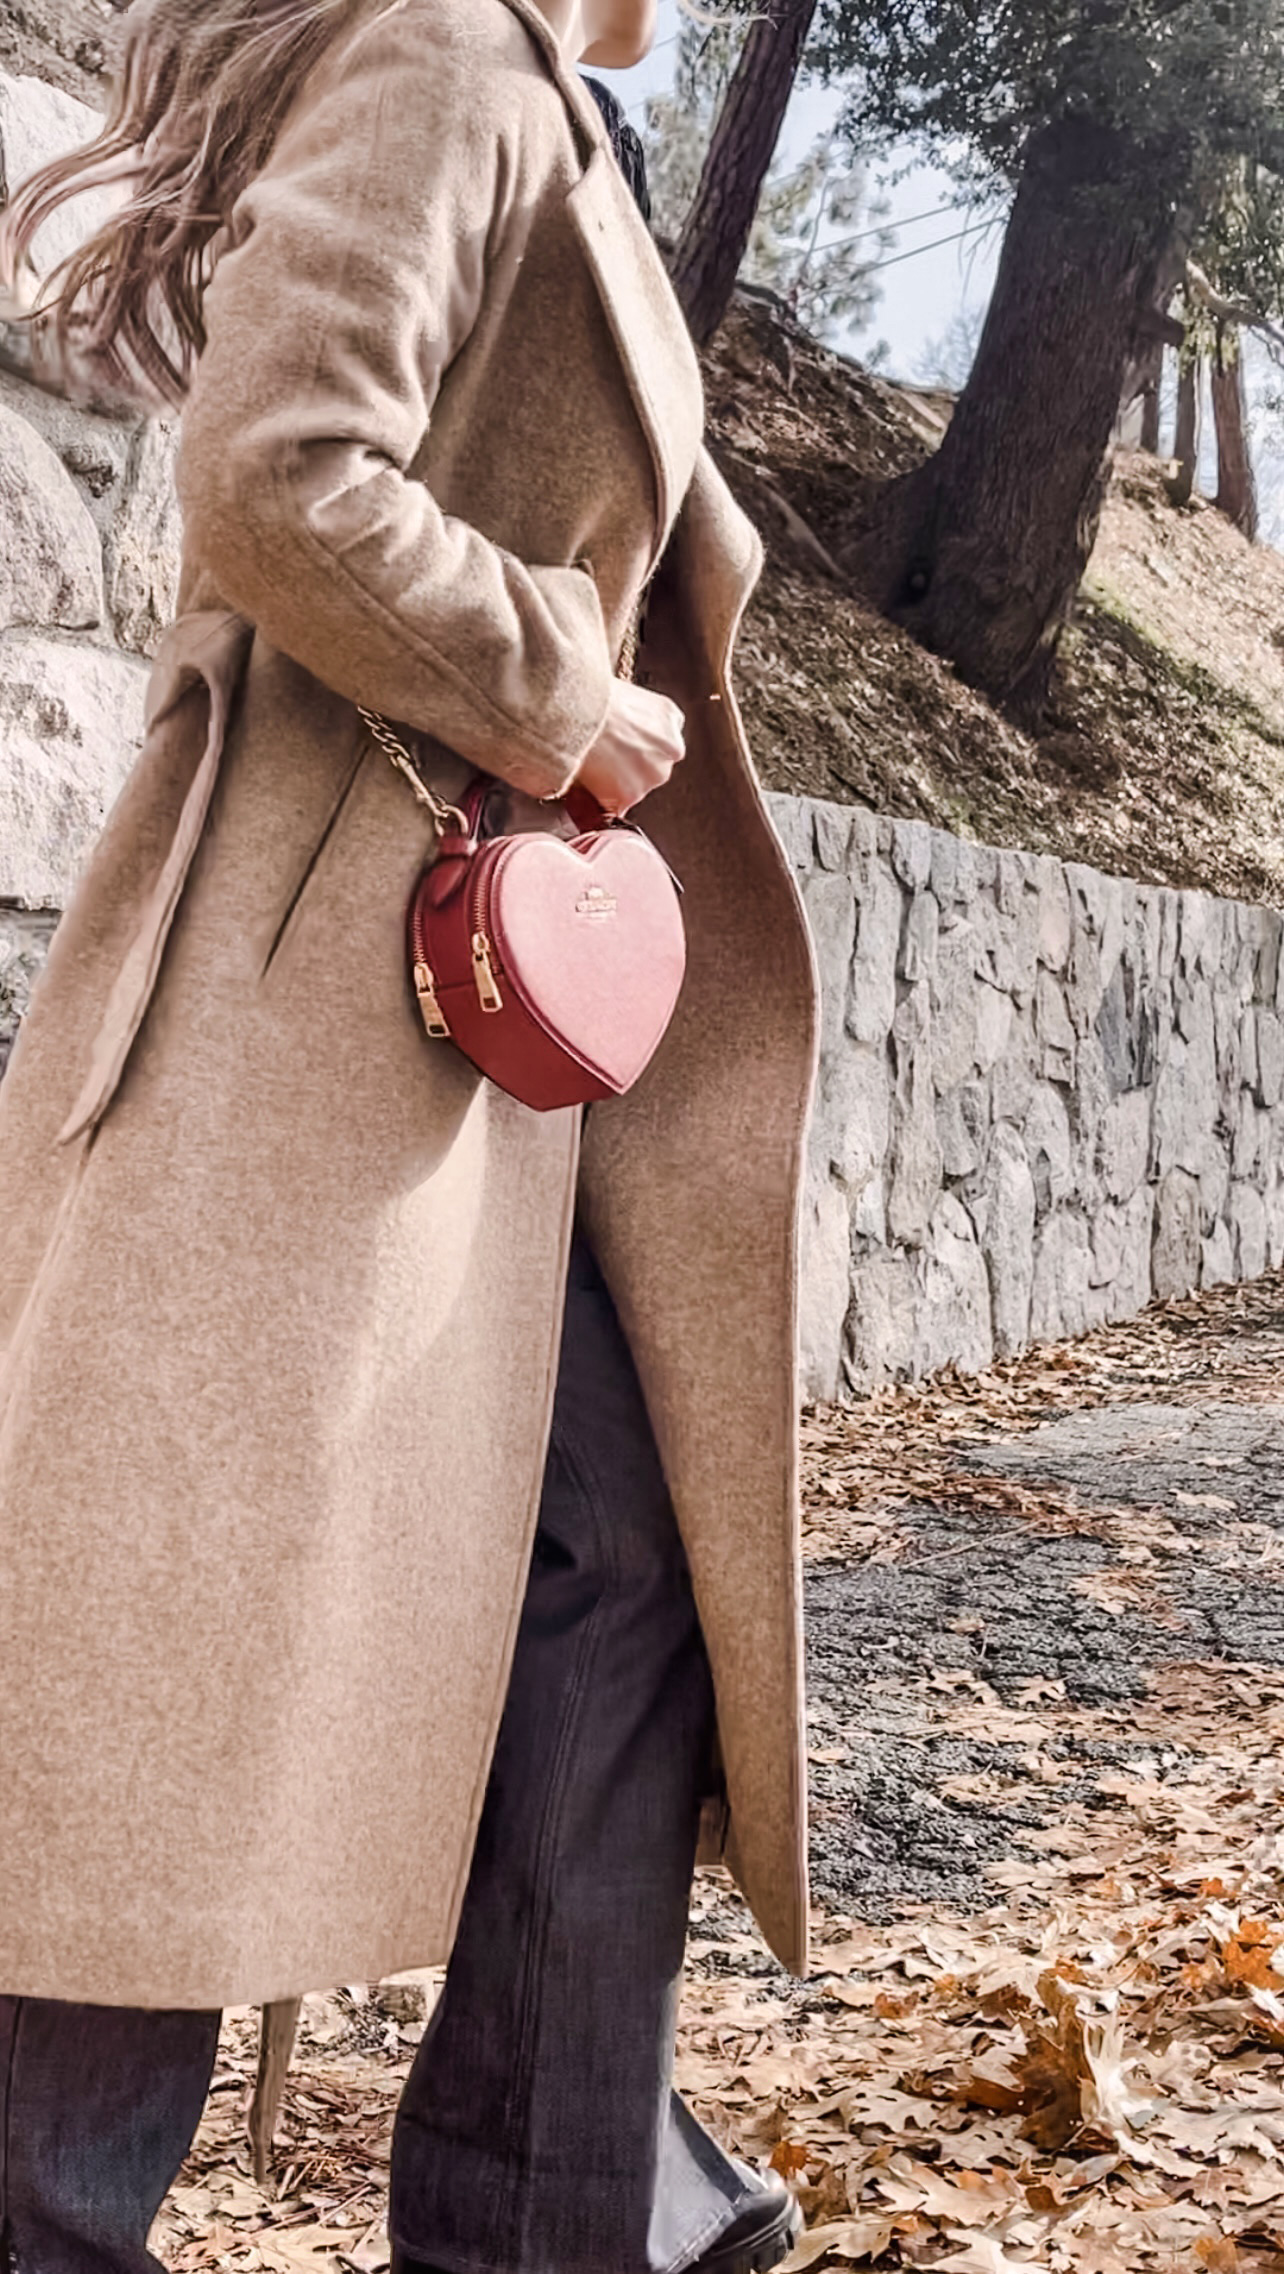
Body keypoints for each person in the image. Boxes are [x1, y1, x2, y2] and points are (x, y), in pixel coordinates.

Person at [0, 0, 819, 2268]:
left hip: (449, 1043)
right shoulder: (458, 49)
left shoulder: (538, 95)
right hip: (306, 1019)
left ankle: (561, 2207)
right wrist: (564, 684)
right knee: (148, 1665)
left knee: (617, 1568)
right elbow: (278, 465)